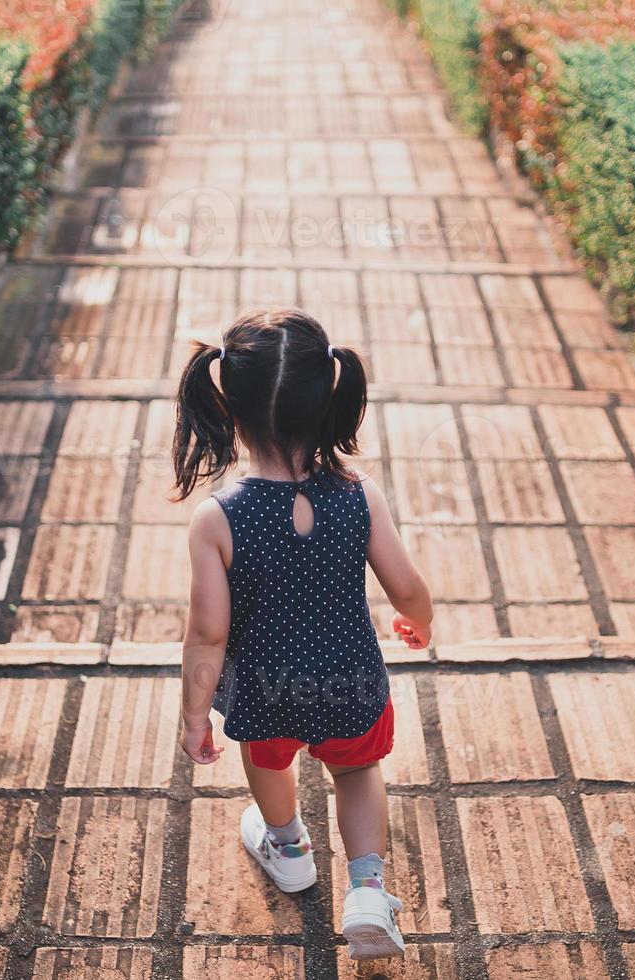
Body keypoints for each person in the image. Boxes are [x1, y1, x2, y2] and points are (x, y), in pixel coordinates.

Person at [171, 308, 434, 960]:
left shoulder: (218, 519)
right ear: (329, 399)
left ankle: (288, 847)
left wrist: (194, 714)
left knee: (267, 759)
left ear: (228, 406)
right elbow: (406, 586)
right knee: (358, 773)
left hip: (266, 690)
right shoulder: (357, 494)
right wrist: (417, 621)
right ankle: (368, 888)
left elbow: (206, 633)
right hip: (350, 678)